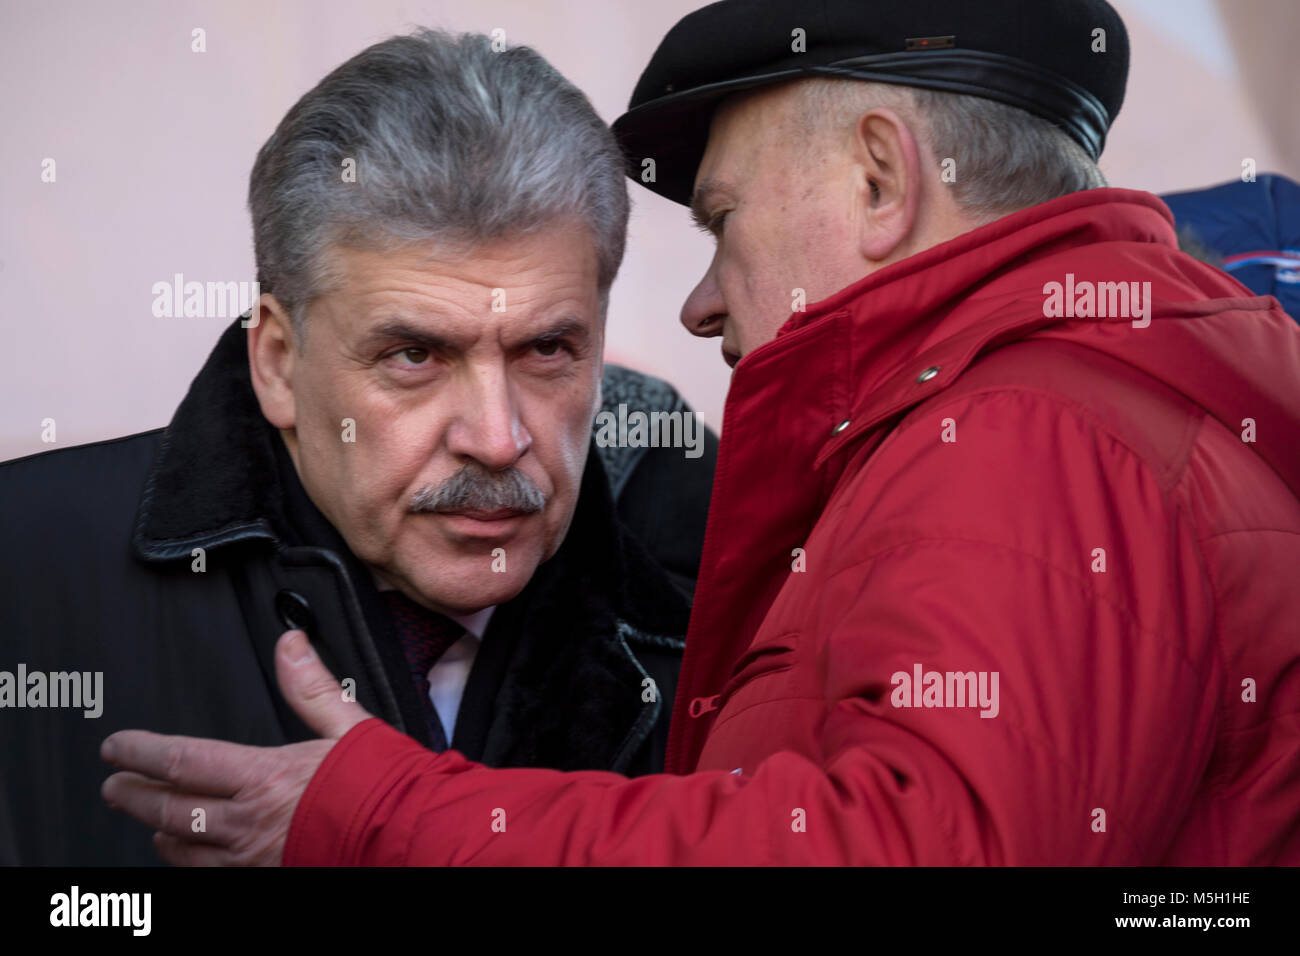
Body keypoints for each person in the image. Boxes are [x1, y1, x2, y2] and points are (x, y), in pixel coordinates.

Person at [102, 0, 1300, 865]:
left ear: (880, 179)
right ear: (277, 357)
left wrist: (386, 815)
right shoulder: (1085, 398)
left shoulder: (1024, 432)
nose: (701, 302)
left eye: (722, 216)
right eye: (413, 352)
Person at [0, 28, 718, 865]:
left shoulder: (731, 608)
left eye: (547, 350)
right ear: (276, 360)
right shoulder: (26, 576)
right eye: (414, 356)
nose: (496, 439)